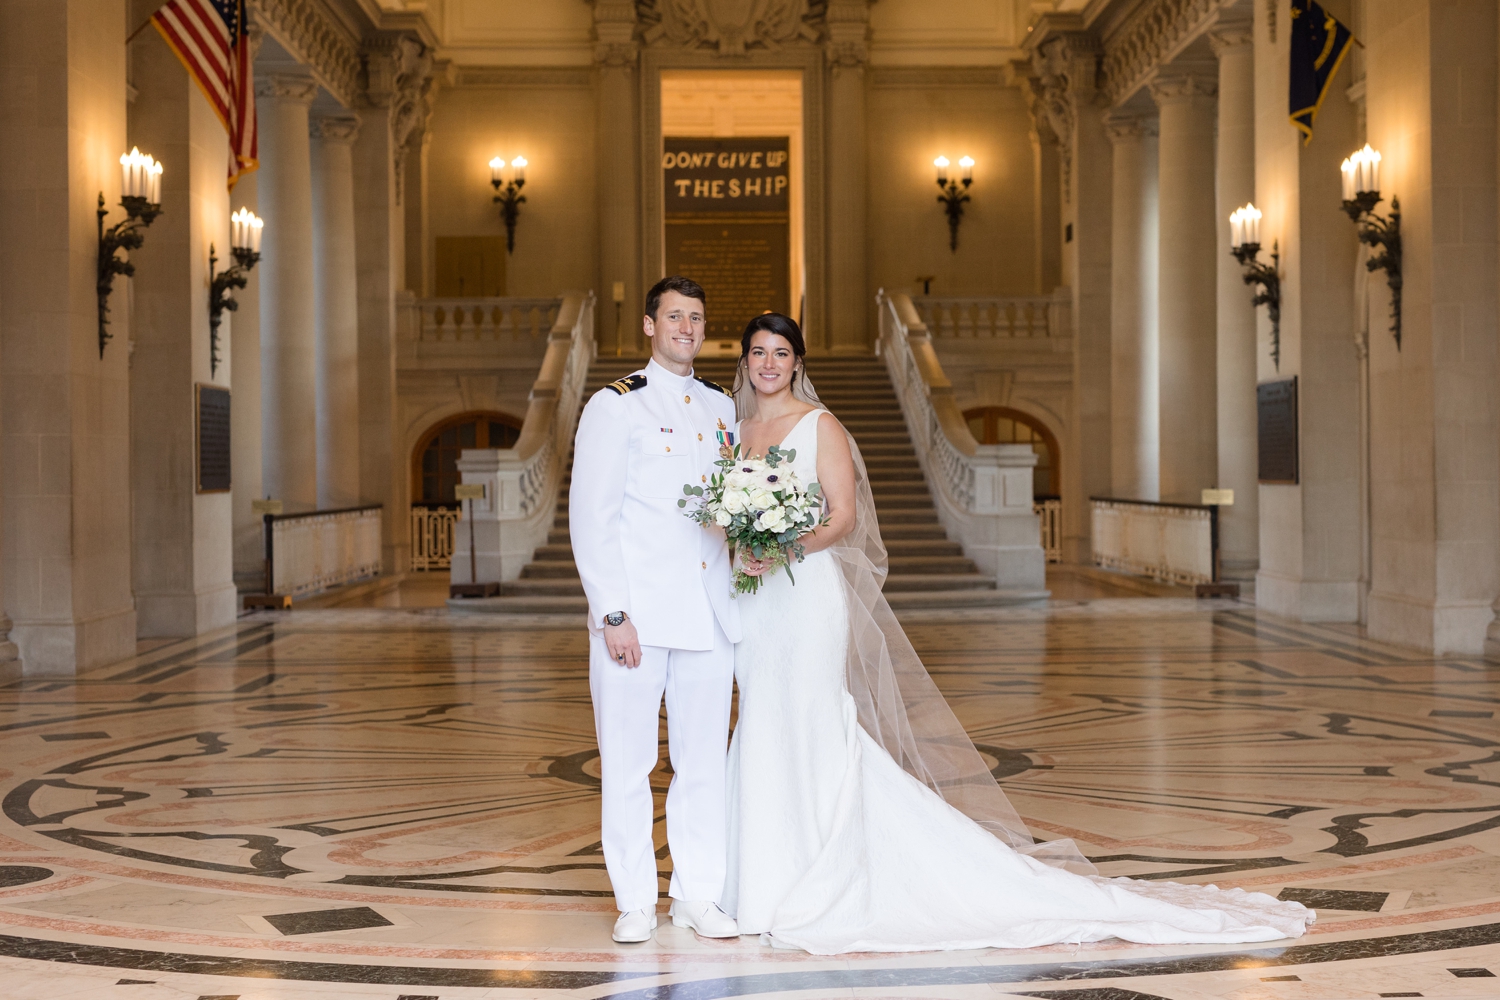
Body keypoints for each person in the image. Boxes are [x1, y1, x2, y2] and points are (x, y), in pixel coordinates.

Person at [721, 312, 1315, 954]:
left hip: (806, 596)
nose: (770, 363)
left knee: (810, 719)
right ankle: (760, 881)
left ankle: (821, 874)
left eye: (782, 352)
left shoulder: (821, 427)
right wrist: (744, 543)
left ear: (798, 362)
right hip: (759, 604)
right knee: (761, 719)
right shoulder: (736, 427)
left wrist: (784, 545)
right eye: (760, 352)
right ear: (746, 360)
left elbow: (842, 518)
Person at [570, 276, 741, 944]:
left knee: (704, 765)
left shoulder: (721, 406)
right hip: (635, 619)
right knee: (629, 761)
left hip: (708, 616)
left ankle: (698, 895)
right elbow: (593, 517)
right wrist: (611, 613)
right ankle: (636, 899)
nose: (686, 328)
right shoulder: (617, 407)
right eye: (674, 316)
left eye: (696, 318)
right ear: (649, 325)